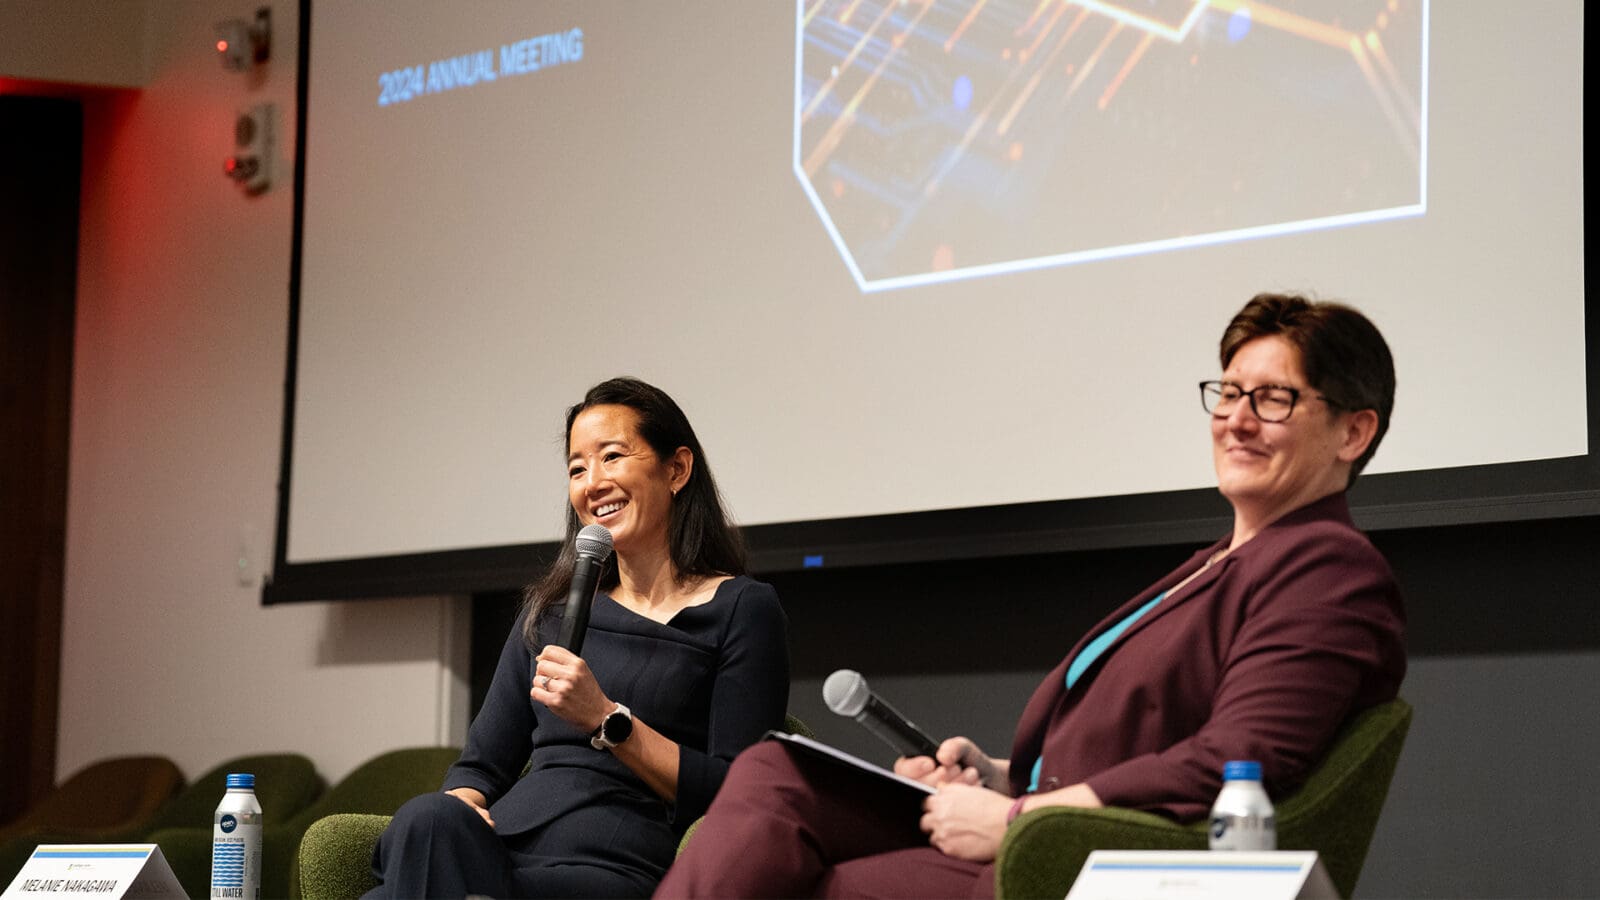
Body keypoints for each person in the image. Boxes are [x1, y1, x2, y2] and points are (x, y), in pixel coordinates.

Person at [656, 293, 1405, 899]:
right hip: (1036, 820)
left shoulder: (1329, 570)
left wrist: (1016, 815)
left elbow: (1237, 763)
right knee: (776, 772)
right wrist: (994, 773)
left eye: (1273, 400)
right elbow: (1136, 741)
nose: (1236, 418)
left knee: (825, 885)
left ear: (1353, 432)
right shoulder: (1214, 563)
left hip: (1087, 857)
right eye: (1230, 392)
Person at [366, 377, 789, 898]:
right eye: (576, 468)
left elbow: (742, 792)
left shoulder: (741, 609)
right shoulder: (550, 615)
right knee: (430, 817)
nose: (592, 483)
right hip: (504, 851)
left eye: (612, 457)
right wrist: (465, 804)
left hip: (610, 865)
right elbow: (479, 767)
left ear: (677, 469)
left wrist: (608, 719)